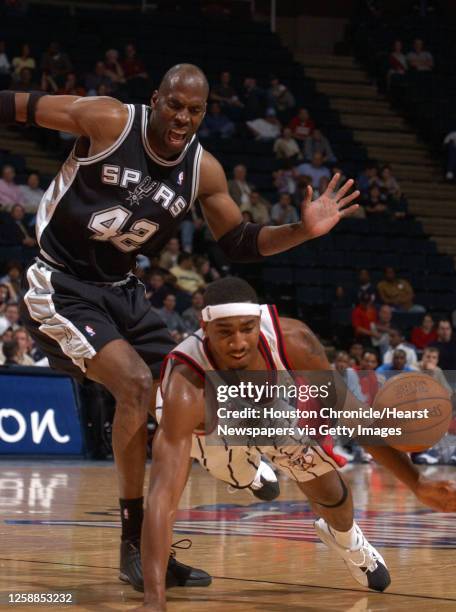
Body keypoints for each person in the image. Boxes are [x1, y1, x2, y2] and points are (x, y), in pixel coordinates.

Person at [1, 63, 359, 593]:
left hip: (124, 289)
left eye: (194, 110)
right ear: (156, 99)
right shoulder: (108, 120)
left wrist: (301, 231)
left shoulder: (203, 170)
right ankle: (133, 541)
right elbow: (16, 104)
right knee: (137, 386)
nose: (182, 118)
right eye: (174, 105)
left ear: (204, 113)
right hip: (61, 285)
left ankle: (228, 466)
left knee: (187, 389)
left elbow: (238, 242)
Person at [143, 277, 456, 610]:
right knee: (231, 470)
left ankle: (349, 542)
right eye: (224, 332)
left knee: (332, 493)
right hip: (208, 426)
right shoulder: (184, 386)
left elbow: (353, 417)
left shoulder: (294, 341)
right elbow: (162, 498)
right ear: (204, 327)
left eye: (246, 328)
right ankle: (249, 475)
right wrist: (154, 600)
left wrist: (418, 483)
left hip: (268, 409)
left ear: (257, 320)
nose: (237, 342)